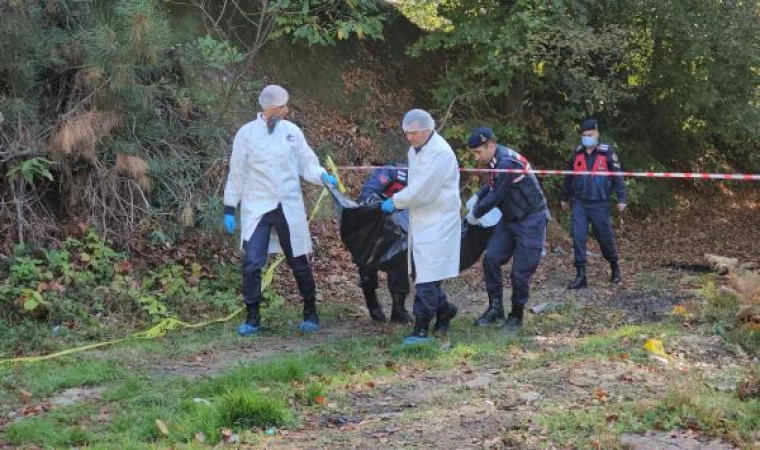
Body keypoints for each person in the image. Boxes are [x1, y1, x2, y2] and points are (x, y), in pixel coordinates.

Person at [223, 84, 339, 336]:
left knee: (299, 261)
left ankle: (310, 311)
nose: (287, 110)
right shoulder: (246, 134)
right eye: (283, 106)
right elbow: (237, 172)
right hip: (257, 207)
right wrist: (229, 206)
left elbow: (307, 163)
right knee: (252, 263)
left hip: (288, 205)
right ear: (272, 108)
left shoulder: (292, 132)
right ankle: (253, 316)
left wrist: (322, 176)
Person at [380, 109, 461, 344]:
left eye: (414, 133)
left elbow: (423, 191)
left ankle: (421, 327)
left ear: (427, 130)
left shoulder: (440, 154)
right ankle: (445, 310)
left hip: (439, 220)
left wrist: (395, 201)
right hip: (422, 218)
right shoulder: (416, 150)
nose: (409, 138)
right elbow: (416, 186)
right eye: (406, 134)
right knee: (423, 272)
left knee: (427, 276)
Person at [465, 127, 548, 332]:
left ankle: (516, 316)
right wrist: (478, 195)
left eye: (478, 152)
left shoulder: (506, 162)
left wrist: (475, 213)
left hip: (531, 219)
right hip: (509, 218)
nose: (477, 157)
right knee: (491, 259)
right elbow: (492, 185)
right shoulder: (494, 160)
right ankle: (495, 308)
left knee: (520, 272)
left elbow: (497, 195)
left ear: (491, 146)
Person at [560, 119, 627, 289]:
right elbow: (568, 177)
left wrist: (622, 198)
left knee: (605, 238)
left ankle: (614, 267)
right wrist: (564, 198)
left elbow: (618, 177)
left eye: (589, 135)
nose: (587, 138)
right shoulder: (577, 153)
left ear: (596, 134)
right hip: (580, 203)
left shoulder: (607, 153)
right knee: (578, 236)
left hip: (600, 204)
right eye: (584, 136)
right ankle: (581, 276)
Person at [355, 163, 413, 324]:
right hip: (374, 224)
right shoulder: (392, 171)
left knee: (399, 263)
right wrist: (381, 204)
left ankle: (398, 309)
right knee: (366, 265)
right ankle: (371, 302)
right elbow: (367, 192)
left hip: (400, 230)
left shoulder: (426, 177)